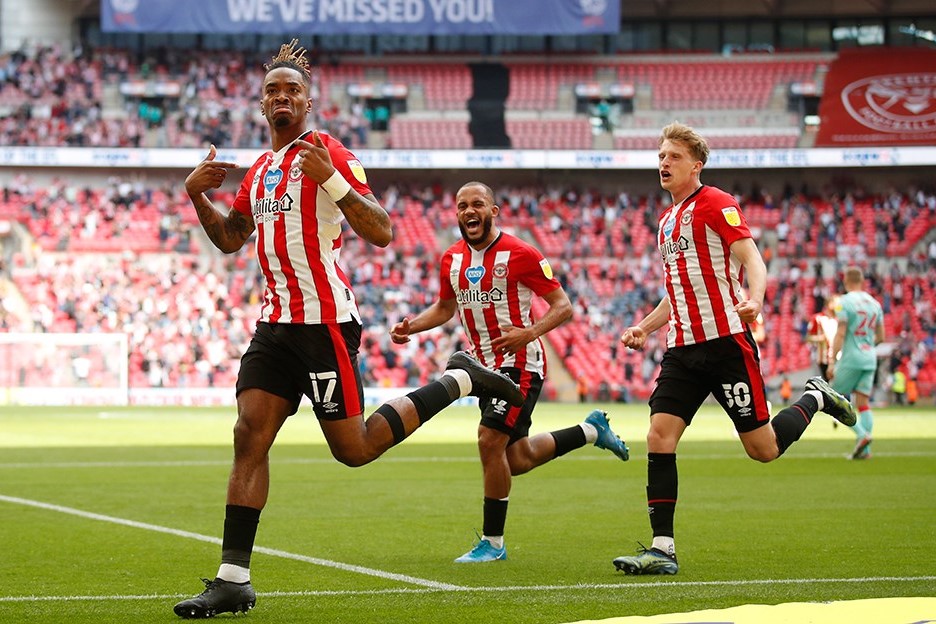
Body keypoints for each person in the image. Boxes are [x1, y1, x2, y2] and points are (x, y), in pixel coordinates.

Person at [173, 42, 524, 619]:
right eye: (272, 90)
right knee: (248, 435)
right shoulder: (258, 172)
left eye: (292, 90)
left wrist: (332, 180)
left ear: (307, 102)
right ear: (261, 104)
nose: (282, 97)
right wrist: (195, 195)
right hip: (275, 326)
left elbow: (382, 230)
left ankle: (460, 380)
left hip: (325, 325)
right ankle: (234, 579)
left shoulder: (329, 152)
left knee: (354, 450)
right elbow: (232, 237)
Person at [612, 122, 857, 576]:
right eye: (661, 155)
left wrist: (756, 299)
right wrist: (644, 327)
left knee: (762, 449)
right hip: (682, 349)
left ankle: (816, 397)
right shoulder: (666, 222)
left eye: (674, 156)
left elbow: (752, 259)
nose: (664, 162)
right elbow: (678, 291)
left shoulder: (716, 203)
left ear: (696, 165)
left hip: (726, 344)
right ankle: (662, 549)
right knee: (659, 436)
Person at [390, 181, 630, 563]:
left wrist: (528, 333)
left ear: (494, 211)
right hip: (482, 368)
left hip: (520, 364)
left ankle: (493, 544)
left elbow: (563, 305)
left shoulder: (521, 253)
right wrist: (411, 327)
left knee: (489, 441)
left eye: (477, 204)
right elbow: (445, 307)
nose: (470, 211)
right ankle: (591, 430)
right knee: (516, 459)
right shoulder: (451, 258)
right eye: (462, 206)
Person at [828, 266, 885, 460]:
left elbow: (841, 333)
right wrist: (867, 346)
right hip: (870, 358)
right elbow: (881, 336)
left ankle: (862, 435)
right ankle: (865, 451)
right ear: (862, 281)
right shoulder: (875, 304)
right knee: (863, 403)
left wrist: (831, 360)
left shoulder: (843, 302)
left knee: (831, 399)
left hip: (852, 358)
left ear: (846, 281)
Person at [806, 297, 838, 381]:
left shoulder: (839, 319)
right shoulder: (818, 318)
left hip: (838, 357)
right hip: (824, 359)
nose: (839, 306)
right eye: (836, 304)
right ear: (829, 304)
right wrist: (820, 338)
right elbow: (808, 337)